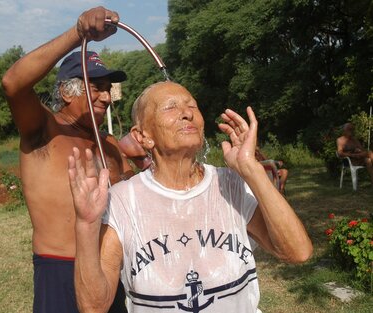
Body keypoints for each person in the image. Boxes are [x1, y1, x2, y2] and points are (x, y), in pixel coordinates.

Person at [68, 81, 313, 312]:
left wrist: (251, 169)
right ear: (143, 136)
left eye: (192, 106)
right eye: (170, 107)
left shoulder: (230, 186)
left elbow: (297, 252)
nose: (187, 113)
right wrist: (86, 224)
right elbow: (93, 307)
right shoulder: (123, 201)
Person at [2, 6, 132, 313]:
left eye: (108, 89)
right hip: (60, 270)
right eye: (96, 87)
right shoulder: (44, 130)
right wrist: (78, 33)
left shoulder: (110, 144)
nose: (106, 97)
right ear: (67, 90)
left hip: (111, 269)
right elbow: (13, 84)